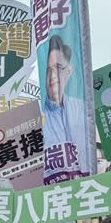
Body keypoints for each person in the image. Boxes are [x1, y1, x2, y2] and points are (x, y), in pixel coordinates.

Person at [42, 34, 92, 177]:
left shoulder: (84, 109)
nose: (52, 76)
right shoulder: (37, 119)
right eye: (48, 70)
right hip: (56, 191)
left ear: (69, 71)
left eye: (57, 68)